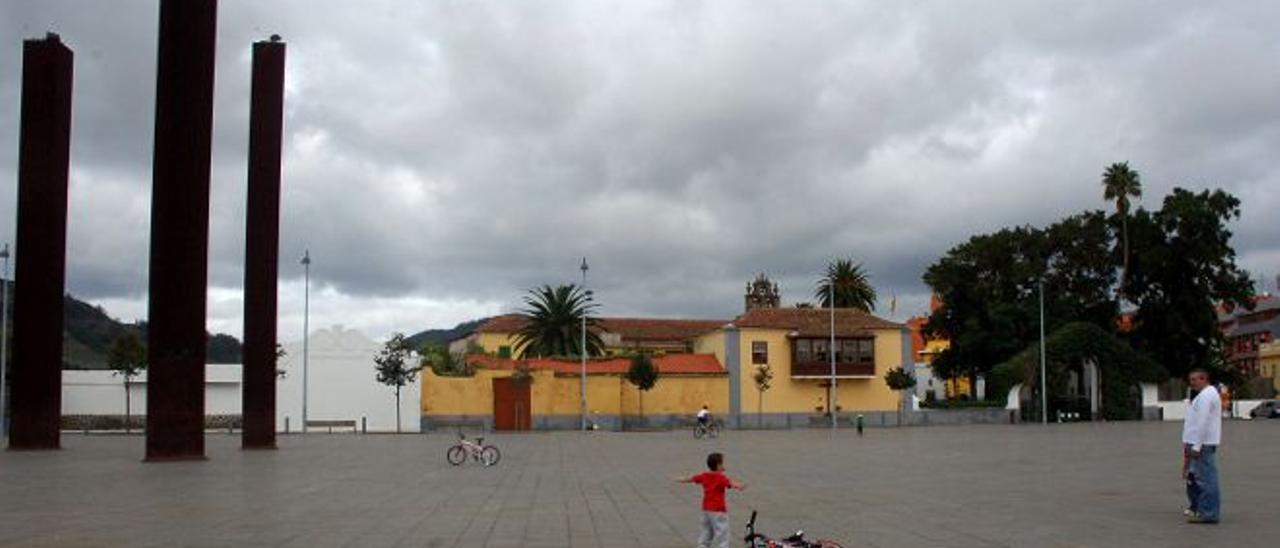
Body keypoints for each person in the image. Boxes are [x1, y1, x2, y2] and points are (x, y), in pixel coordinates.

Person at [675, 452, 745, 548]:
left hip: (706, 509)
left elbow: (692, 478)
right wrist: (739, 486)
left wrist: (681, 479)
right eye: (722, 464)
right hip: (718, 509)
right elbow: (730, 483)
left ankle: (702, 545)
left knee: (706, 530)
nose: (724, 466)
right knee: (722, 532)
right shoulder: (720, 477)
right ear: (718, 465)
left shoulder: (705, 476)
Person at [1182, 368, 1222, 524]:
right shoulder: (1206, 394)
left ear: (1204, 379)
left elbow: (1203, 422)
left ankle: (1209, 514)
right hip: (1202, 443)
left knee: (1206, 480)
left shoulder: (1206, 396)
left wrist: (1196, 446)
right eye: (1190, 380)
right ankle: (1204, 510)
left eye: (1195, 379)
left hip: (1202, 444)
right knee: (1201, 478)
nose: (1192, 383)